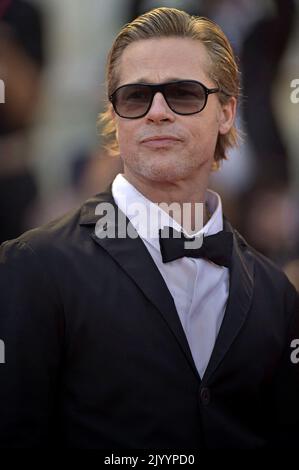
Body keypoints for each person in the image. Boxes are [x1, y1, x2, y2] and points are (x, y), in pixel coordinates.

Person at [0, 7, 298, 449]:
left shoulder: (277, 295)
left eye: (182, 93)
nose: (157, 112)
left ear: (226, 113)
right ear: (115, 120)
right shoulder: (35, 267)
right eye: (136, 97)